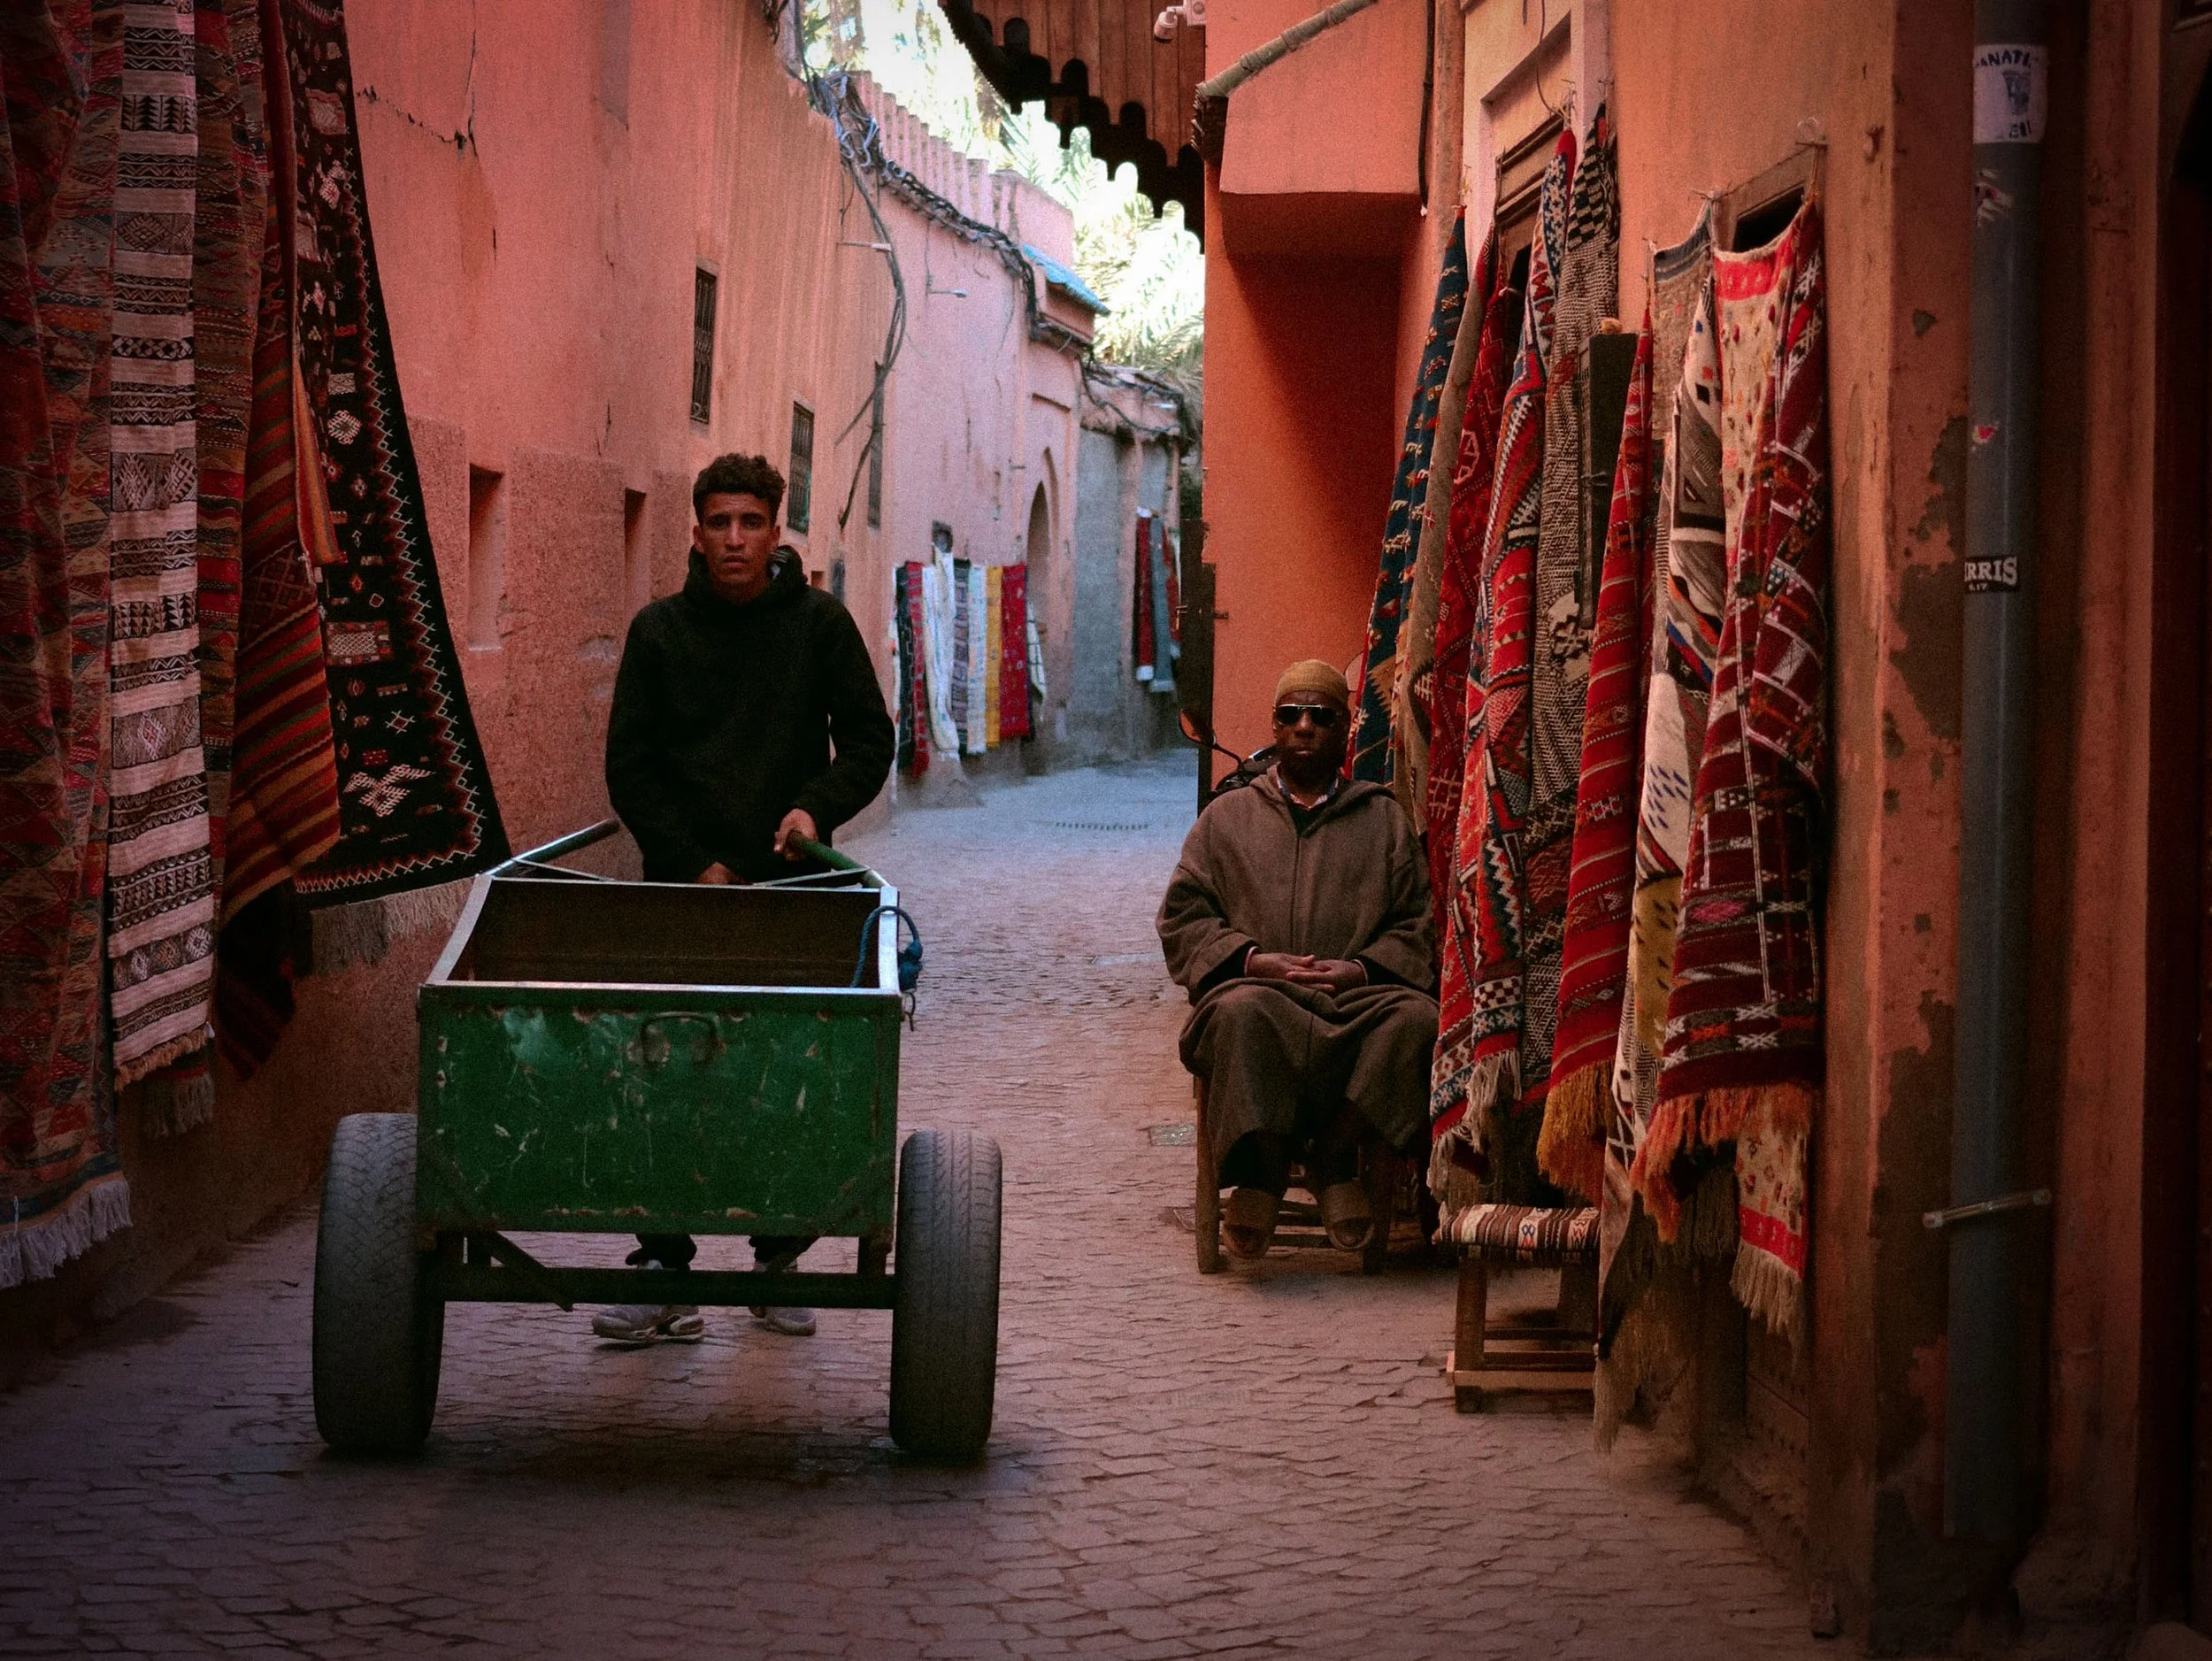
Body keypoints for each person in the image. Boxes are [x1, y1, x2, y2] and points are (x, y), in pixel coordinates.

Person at [591, 452, 895, 1345]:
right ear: (694, 531)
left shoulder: (821, 626)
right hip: (680, 899)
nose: (733, 538)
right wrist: (691, 862)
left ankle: (776, 1258)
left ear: (775, 531)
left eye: (749, 522)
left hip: (793, 897)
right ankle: (663, 1269)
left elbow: (870, 740)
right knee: (662, 1066)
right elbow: (628, 766)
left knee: (786, 1069)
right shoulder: (657, 633)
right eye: (718, 522)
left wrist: (816, 807)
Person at [1157, 660, 1438, 1258]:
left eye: (1321, 716)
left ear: (1344, 732)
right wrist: (1254, 961)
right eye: (1291, 716)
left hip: (1357, 1002)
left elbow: (1418, 922)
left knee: (1417, 1024)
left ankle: (1333, 1158)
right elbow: (1182, 918)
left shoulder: (1384, 818)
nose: (1305, 727)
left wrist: (1358, 969)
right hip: (1262, 998)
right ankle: (1264, 1168)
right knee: (1239, 1015)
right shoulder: (1225, 819)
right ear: (1275, 728)